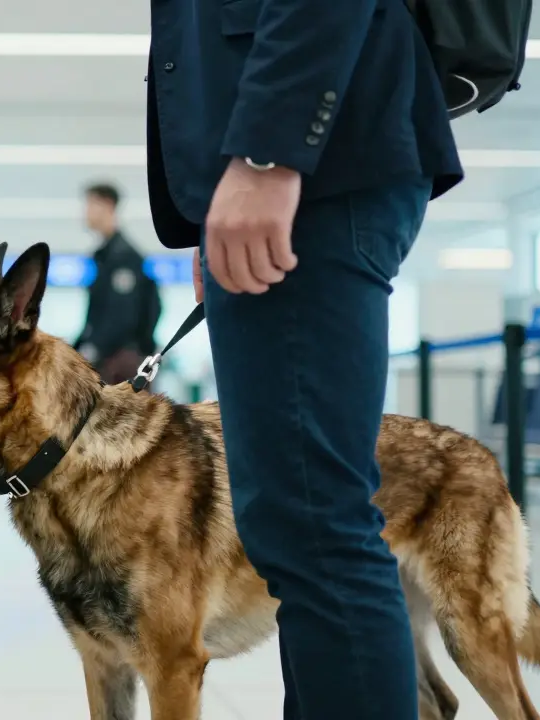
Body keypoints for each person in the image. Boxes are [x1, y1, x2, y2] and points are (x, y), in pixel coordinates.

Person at [146, 1, 462, 718]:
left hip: (313, 168)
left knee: (314, 525)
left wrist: (270, 149)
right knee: (296, 528)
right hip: (304, 169)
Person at [72, 182, 162, 385]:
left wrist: (92, 350)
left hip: (119, 364)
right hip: (113, 359)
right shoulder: (105, 256)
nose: (85, 213)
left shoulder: (123, 257)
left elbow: (122, 316)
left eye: (90, 205)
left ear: (108, 205)